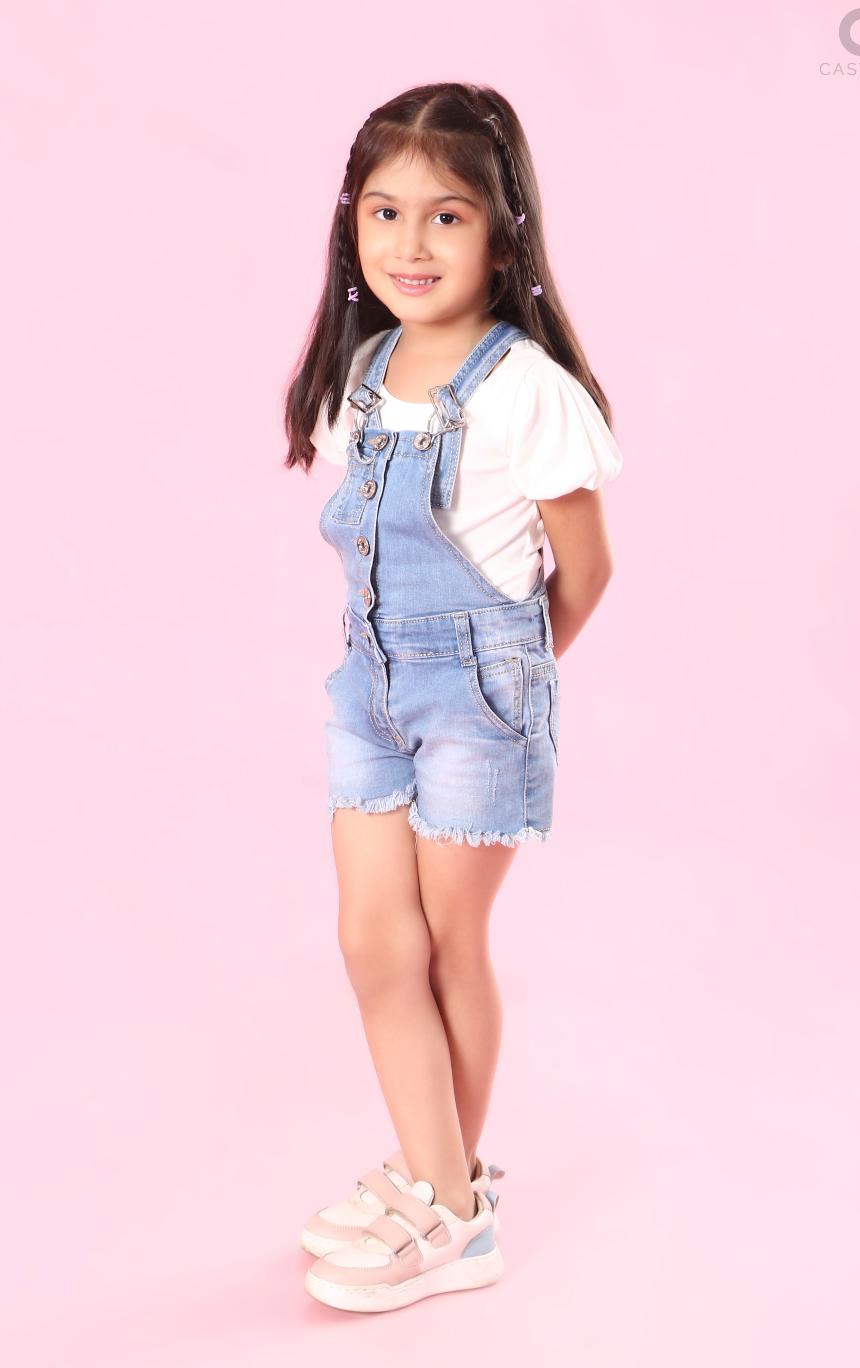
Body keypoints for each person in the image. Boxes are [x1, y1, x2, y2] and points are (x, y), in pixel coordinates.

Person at [283, 82, 623, 1313]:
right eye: (384, 212)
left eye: (447, 215)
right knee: (374, 941)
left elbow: (583, 572)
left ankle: (448, 1210)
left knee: (446, 941)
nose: (410, 243)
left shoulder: (526, 387)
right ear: (351, 223)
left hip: (478, 696)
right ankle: (437, 1182)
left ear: (501, 232)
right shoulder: (364, 373)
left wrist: (504, 682)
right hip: (369, 690)